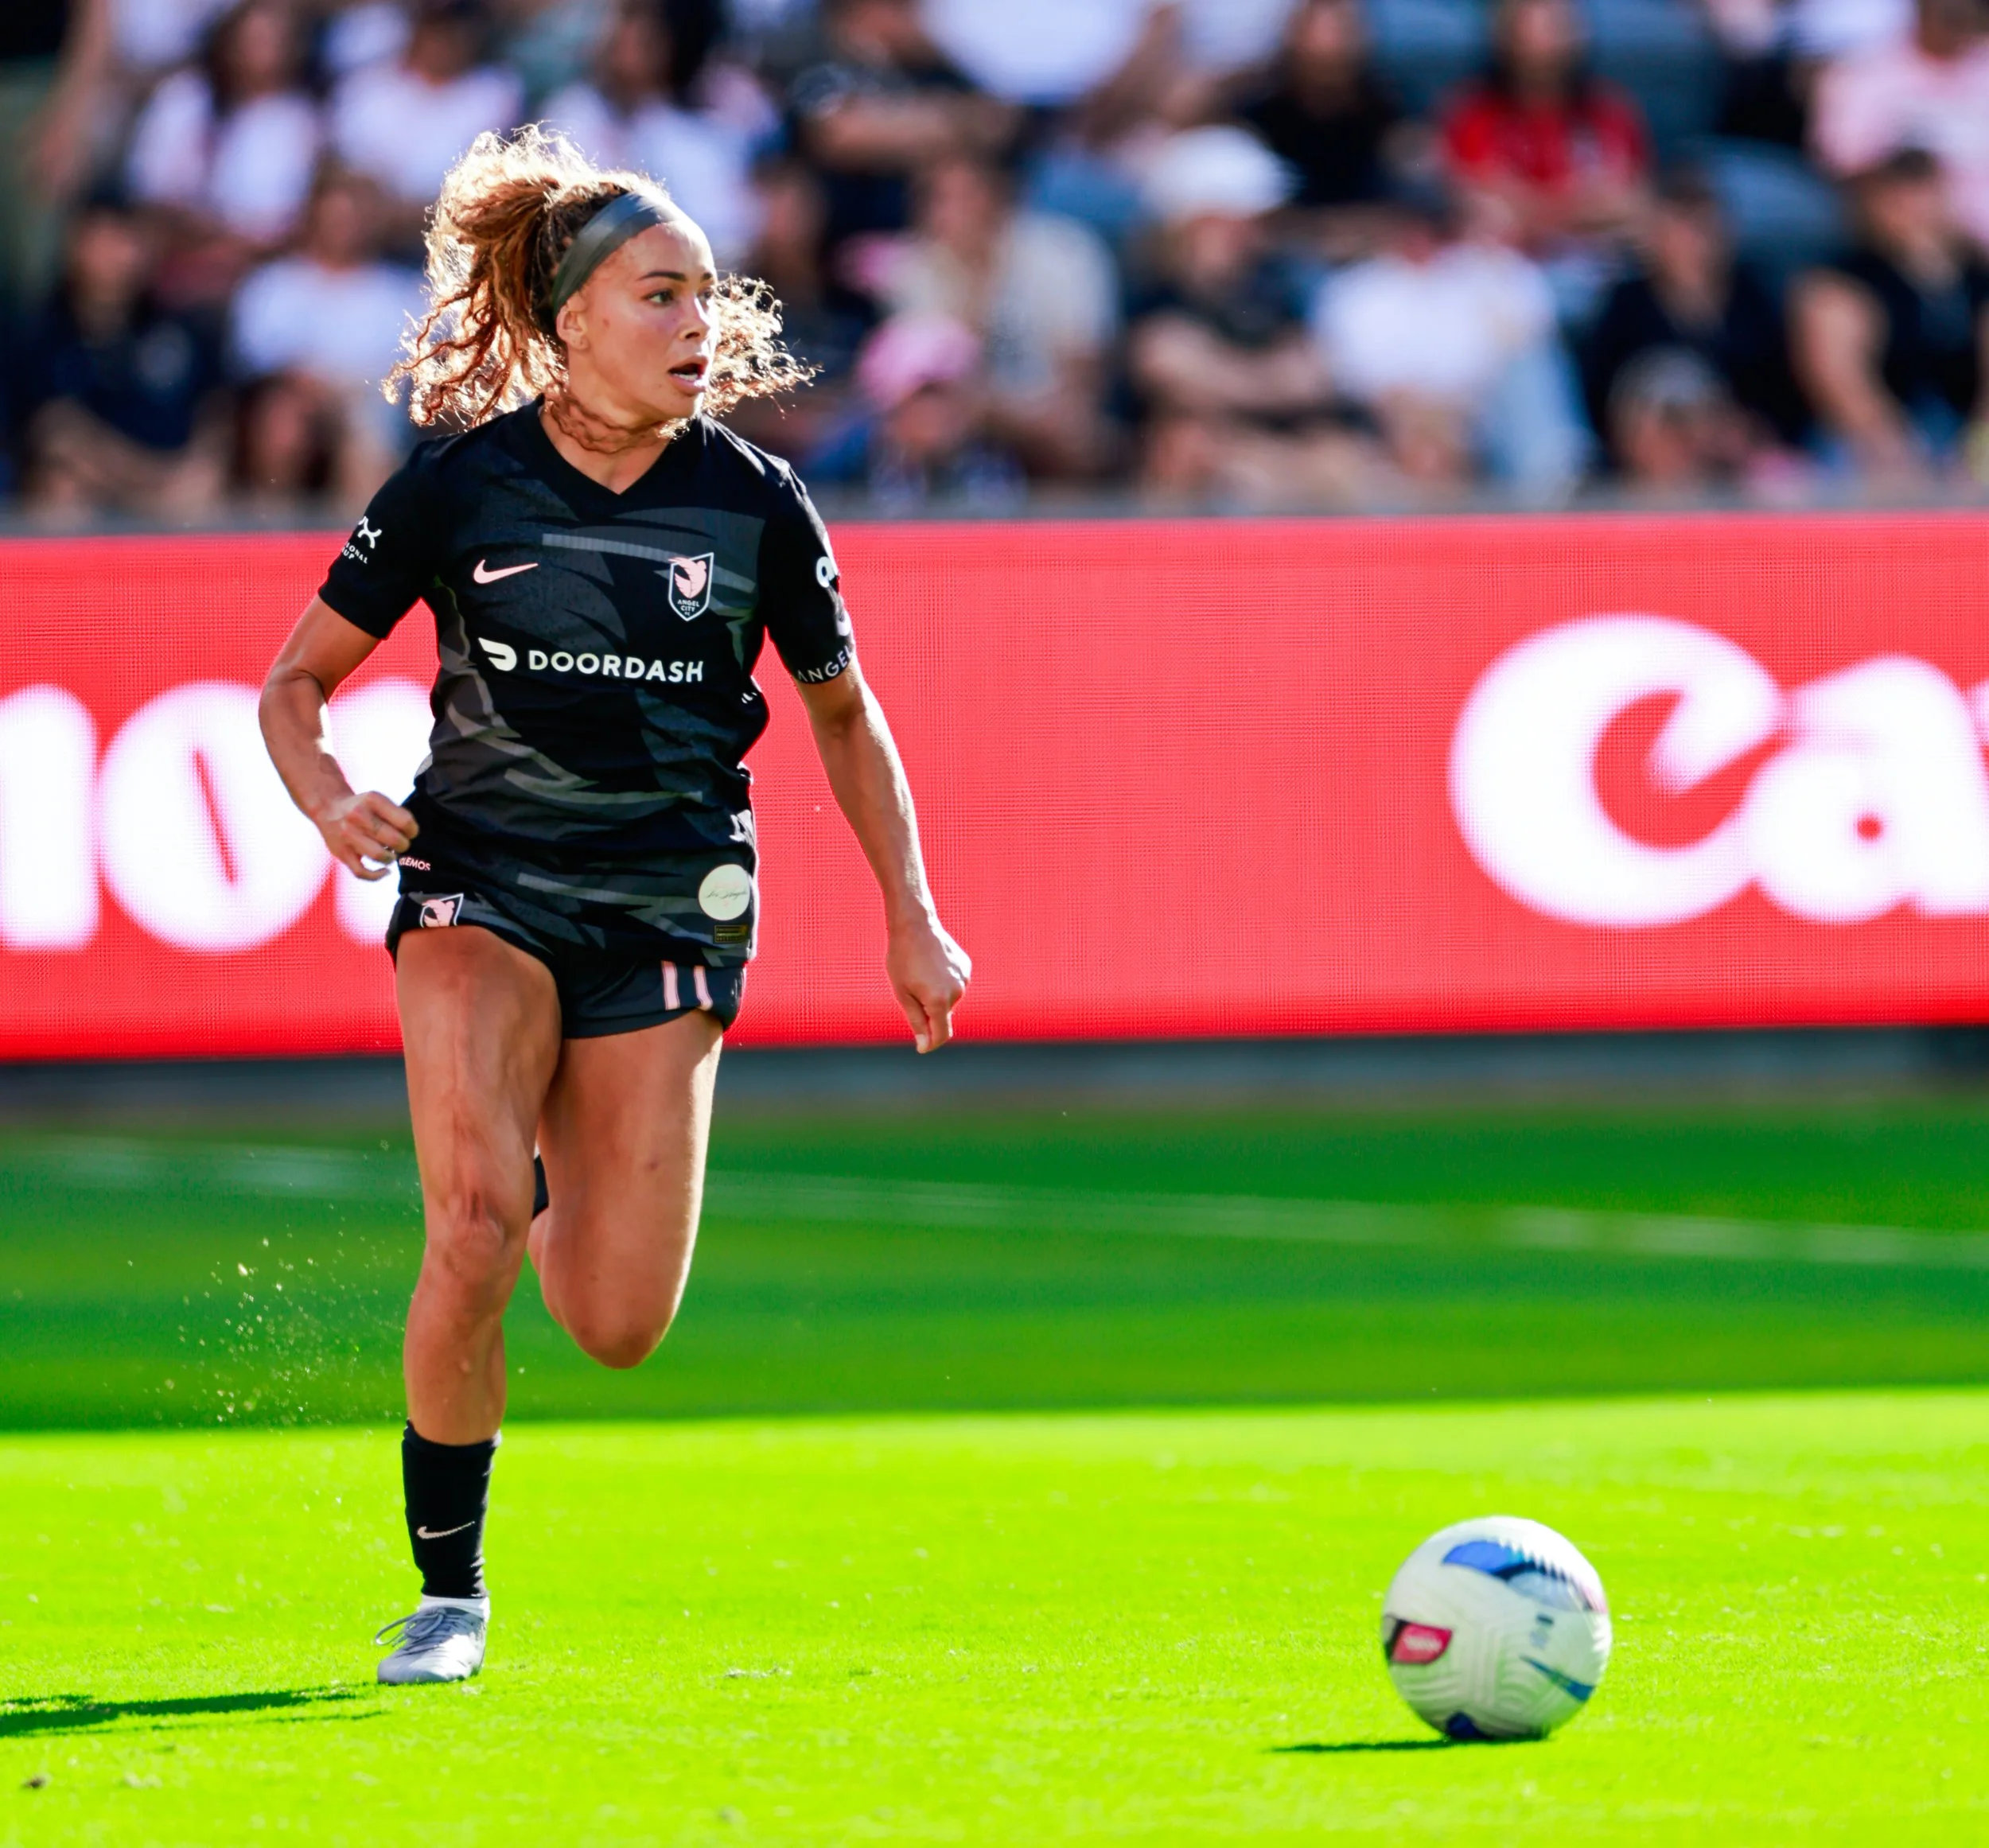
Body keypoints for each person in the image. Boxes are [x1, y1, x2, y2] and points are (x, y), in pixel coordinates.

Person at [257, 126, 970, 1685]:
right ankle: (449, 1595)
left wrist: (910, 916)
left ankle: (549, 1160)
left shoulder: (759, 503)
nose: (694, 325)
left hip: (668, 910)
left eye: (707, 295)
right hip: (477, 886)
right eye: (660, 295)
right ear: (569, 320)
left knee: (618, 1323)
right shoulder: (459, 485)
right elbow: (293, 685)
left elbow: (845, 718)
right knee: (470, 1225)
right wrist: (327, 802)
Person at [14, 193, 228, 515]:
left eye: (127, 239)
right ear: (75, 245)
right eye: (104, 238)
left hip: (182, 498)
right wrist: (155, 491)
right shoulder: (41, 336)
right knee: (60, 490)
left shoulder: (178, 329)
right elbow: (57, 437)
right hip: (105, 494)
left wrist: (203, 464)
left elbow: (216, 412)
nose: (117, 254)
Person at [1790, 145, 1989, 483]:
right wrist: (1896, 450)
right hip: (1868, 439)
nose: (1914, 209)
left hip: (1965, 436)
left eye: (1923, 193)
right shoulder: (1841, 279)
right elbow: (1840, 379)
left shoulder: (1975, 274)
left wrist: (1977, 451)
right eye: (1901, 197)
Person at [1582, 169, 1807, 468]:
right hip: (1646, 454)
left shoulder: (1751, 299)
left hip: (1739, 455)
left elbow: (1782, 391)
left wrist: (1744, 429)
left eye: (1703, 227)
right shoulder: (1627, 305)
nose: (1694, 243)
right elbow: (1603, 397)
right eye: (1680, 227)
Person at [229, 165, 423, 505]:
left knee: (366, 441)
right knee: (282, 421)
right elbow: (255, 370)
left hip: (367, 421)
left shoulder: (401, 297)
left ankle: (361, 548)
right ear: (313, 216)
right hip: (293, 408)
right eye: (334, 217)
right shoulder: (272, 286)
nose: (342, 229)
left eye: (352, 218)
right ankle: (268, 529)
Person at [1440, 0, 1650, 302]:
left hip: (1602, 272)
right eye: (1533, 29)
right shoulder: (1471, 112)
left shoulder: (1610, 110)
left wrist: (1530, 208)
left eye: (1557, 27)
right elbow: (1480, 209)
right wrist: (1584, 206)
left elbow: (1631, 204)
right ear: (1505, 37)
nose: (1547, 44)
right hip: (1503, 277)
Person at [539, 0, 767, 265]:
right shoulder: (570, 111)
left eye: (638, 18)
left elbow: (729, 246)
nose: (619, 30)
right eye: (623, 15)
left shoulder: (707, 140)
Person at [329, 0, 522, 246]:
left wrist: (414, 215)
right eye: (435, 29)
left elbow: (492, 191)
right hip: (358, 233)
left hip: (449, 241)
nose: (442, 41)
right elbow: (335, 170)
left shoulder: (495, 95)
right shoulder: (365, 86)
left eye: (454, 32)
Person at [1810, 0, 1989, 255]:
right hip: (1905, 228)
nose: (1959, 18)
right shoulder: (1865, 71)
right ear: (1922, 8)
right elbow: (1844, 163)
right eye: (1949, 12)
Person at [1236, 0, 1407, 252]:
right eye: (1320, 35)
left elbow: (1398, 201)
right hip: (1287, 250)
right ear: (1294, 38)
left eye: (1341, 33)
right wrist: (1320, 232)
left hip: (1373, 246)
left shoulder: (1385, 110)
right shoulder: (1259, 112)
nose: (1331, 48)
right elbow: (1254, 209)